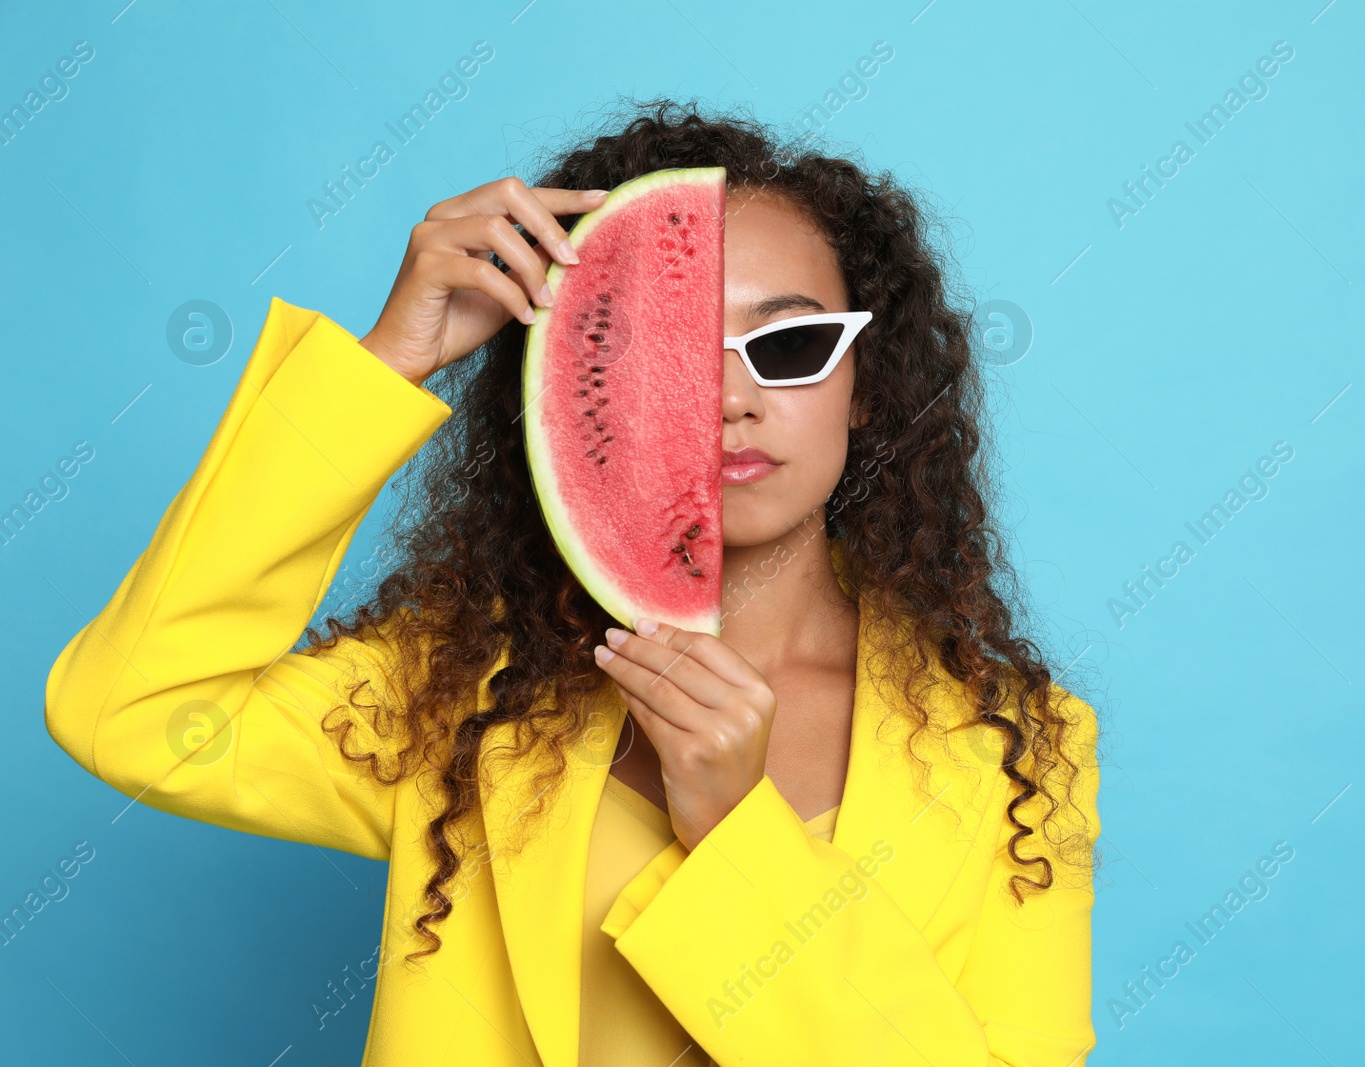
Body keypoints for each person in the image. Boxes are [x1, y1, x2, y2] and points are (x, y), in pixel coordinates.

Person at [43, 98, 1101, 1066]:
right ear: (579, 383)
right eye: (663, 355)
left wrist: (739, 837)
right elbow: (130, 710)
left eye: (789, 345)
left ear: (866, 388)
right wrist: (386, 364)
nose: (726, 399)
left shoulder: (1016, 747)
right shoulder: (458, 697)